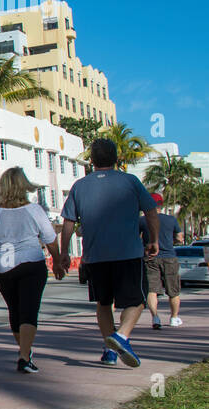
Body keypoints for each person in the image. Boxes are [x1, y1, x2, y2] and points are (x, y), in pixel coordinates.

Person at [57, 138, 160, 368]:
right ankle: (121, 336)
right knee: (137, 301)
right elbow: (151, 212)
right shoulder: (130, 181)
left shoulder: (80, 186)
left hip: (95, 256)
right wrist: (153, 240)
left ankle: (110, 351)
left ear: (92, 160)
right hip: (128, 254)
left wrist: (64, 252)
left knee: (104, 303)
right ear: (116, 159)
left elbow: (68, 223)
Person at [0, 168, 65, 373]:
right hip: (31, 263)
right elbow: (50, 238)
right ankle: (24, 356)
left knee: (15, 312)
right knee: (29, 311)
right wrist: (58, 262)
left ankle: (25, 352)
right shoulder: (34, 210)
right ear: (24, 186)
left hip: (4, 268)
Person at [141, 192, 183, 329]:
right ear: (161, 205)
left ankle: (155, 317)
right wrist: (172, 240)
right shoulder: (171, 220)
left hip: (151, 258)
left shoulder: (142, 221)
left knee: (152, 290)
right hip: (169, 256)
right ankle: (174, 317)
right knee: (173, 290)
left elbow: (135, 238)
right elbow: (180, 238)